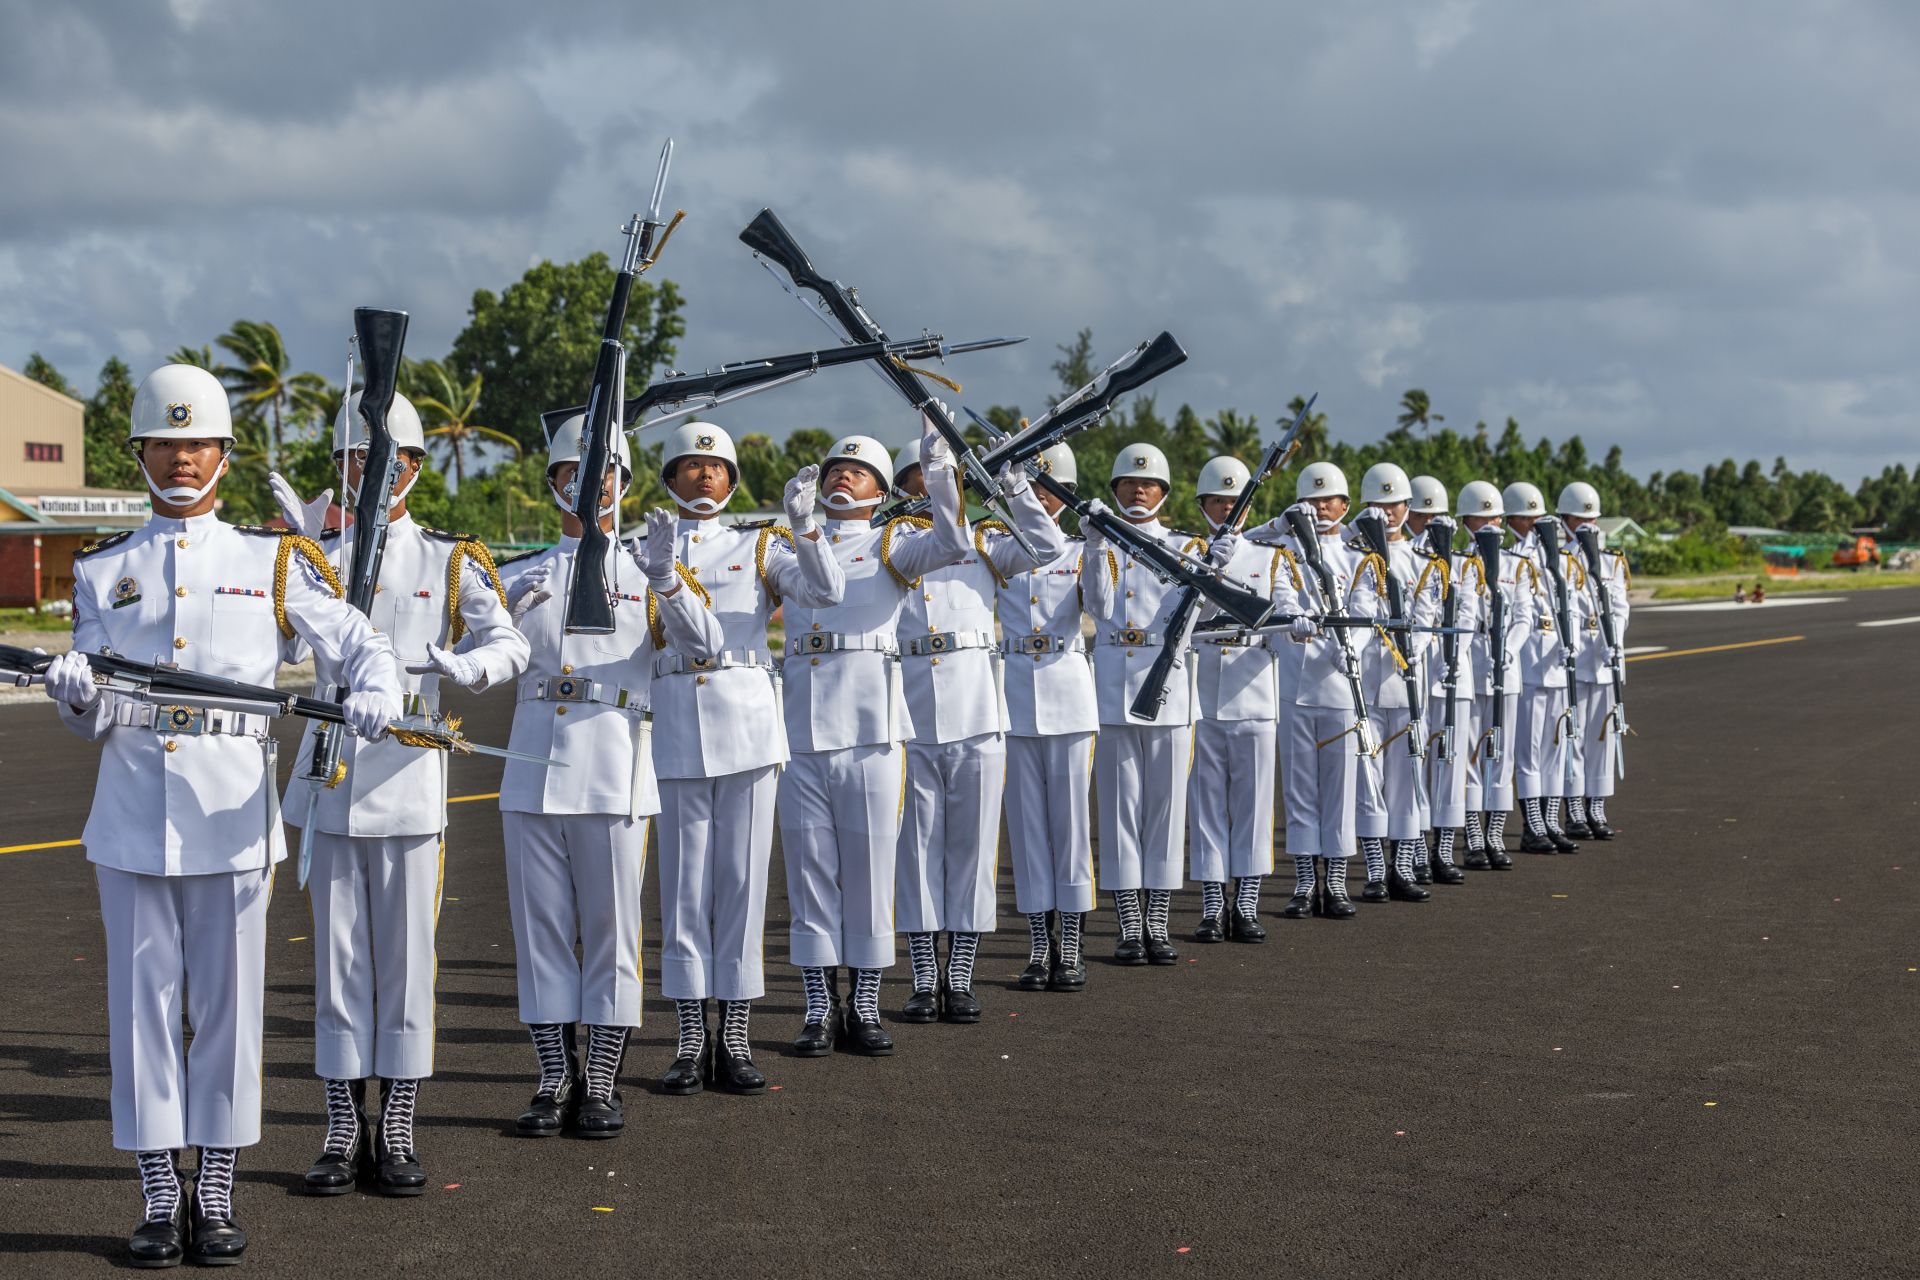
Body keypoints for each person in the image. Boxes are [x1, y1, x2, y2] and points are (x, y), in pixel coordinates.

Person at [47, 363, 401, 1266]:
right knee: (142, 1012)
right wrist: (75, 690)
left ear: (224, 454)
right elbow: (93, 712)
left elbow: (362, 642)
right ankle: (161, 1195)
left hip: (234, 816)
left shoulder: (272, 558)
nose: (181, 457)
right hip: (131, 818)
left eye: (197, 441)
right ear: (139, 454)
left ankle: (217, 1189)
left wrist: (377, 688)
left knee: (231, 1010)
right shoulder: (103, 570)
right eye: (164, 443)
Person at [271, 394, 528, 1196]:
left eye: (392, 461)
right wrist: (299, 549)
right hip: (329, 776)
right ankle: (343, 1131)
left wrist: (470, 669)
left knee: (408, 963)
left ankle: (402, 1128)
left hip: (410, 777)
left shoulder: (448, 558)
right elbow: (275, 643)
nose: (376, 473)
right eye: (358, 460)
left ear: (414, 468)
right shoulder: (315, 558)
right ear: (342, 467)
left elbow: (508, 640)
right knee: (339, 963)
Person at [496, 418, 721, 1140]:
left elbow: (707, 647)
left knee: (610, 931)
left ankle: (601, 1079)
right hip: (532, 764)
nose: (589, 489)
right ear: (553, 483)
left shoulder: (646, 573)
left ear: (623, 484)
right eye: (573, 476)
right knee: (541, 936)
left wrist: (666, 580)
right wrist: (499, 617)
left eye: (603, 478)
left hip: (615, 764)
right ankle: (552, 1076)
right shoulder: (520, 573)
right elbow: (470, 663)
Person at [646, 422, 842, 1094]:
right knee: (682, 892)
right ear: (669, 478)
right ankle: (688, 1039)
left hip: (749, 725)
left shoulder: (759, 544)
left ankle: (734, 1034)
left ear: (733, 480)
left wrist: (807, 523)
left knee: (741, 886)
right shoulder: (643, 546)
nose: (704, 475)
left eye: (716, 466)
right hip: (674, 722)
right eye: (691, 465)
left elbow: (824, 594)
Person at [778, 416, 969, 1056]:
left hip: (869, 727)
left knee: (868, 874)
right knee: (809, 877)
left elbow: (951, 542)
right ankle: (814, 1008)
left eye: (857, 471)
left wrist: (941, 474)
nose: (841, 476)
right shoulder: (787, 540)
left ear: (881, 491)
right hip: (801, 727)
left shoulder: (894, 541)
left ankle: (863, 1005)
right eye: (835, 468)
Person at [889, 443, 1061, 1023]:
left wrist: (1014, 486)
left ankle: (958, 977)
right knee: (914, 852)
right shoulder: (888, 544)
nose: (934, 486)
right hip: (908, 710)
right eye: (920, 477)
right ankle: (921, 977)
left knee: (972, 849)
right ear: (902, 486)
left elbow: (1047, 546)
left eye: (945, 477)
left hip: (977, 709)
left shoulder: (983, 538)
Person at [1081, 443, 1196, 964]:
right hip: (1112, 685)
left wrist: (1211, 568)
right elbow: (1098, 606)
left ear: (1164, 492)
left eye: (1147, 484)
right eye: (1127, 483)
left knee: (1165, 811)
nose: (1137, 489)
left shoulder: (1184, 546)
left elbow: (1209, 613)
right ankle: (1130, 923)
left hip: (1167, 683)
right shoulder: (1104, 543)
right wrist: (1092, 543)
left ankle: (1158, 921)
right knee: (1121, 809)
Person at [995, 443, 1098, 991]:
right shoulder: (998, 545)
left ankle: (1073, 945)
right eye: (1032, 486)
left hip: (1067, 687)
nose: (1040, 495)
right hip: (1012, 691)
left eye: (1050, 487)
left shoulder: (1082, 548)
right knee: (1028, 829)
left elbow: (1100, 607)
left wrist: (1102, 543)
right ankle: (1039, 945)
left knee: (1071, 826)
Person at [1246, 466, 1363, 919]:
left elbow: (1367, 612)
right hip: (1295, 683)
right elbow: (1244, 545)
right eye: (1312, 500)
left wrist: (1347, 650)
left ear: (1345, 506)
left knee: (1338, 787)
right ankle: (1303, 881)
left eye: (1330, 499)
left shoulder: (1358, 555)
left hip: (1340, 685)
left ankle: (1335, 881)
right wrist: (1278, 523)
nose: (1321, 507)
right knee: (1299, 789)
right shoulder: (1281, 551)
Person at [1186, 455, 1285, 942]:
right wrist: (1208, 570)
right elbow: (1180, 617)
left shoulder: (1270, 558)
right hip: (1202, 695)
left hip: (1254, 692)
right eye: (1219, 500)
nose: (1227, 508)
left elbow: (1285, 613)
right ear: (1203, 504)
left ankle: (1245, 903)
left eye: (1235, 500)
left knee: (1252, 804)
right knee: (1205, 804)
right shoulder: (1185, 553)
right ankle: (1210, 904)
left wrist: (1299, 625)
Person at [1347, 463, 1445, 902]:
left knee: (1406, 779)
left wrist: (1412, 650)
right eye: (1379, 505)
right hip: (1366, 682)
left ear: (1409, 507)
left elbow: (1427, 617)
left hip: (1407, 684)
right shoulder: (1356, 557)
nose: (1388, 513)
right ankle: (1373, 870)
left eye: (1396, 504)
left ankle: (1402, 867)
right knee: (1369, 779)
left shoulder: (1424, 560)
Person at [1455, 481, 1533, 869]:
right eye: (1482, 516)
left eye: (1495, 516)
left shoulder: (1516, 565)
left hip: (1506, 669)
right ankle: (1472, 837)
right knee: (1471, 753)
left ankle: (1495, 835)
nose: (1490, 523)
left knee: (1500, 758)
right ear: (1465, 520)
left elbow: (1524, 617)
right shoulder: (1455, 562)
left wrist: (1509, 650)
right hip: (1472, 667)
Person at [1503, 482, 1578, 854]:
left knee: (1556, 748)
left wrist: (1572, 642)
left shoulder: (1558, 559)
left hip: (1557, 667)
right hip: (1531, 665)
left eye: (1536, 516)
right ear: (1509, 519)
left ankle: (1551, 820)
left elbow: (1572, 605)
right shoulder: (1510, 558)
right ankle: (1533, 824)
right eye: (1524, 516)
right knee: (1529, 752)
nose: (1532, 523)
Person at [1556, 483, 1630, 841]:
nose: (1586, 523)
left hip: (1603, 656)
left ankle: (1596, 804)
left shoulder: (1612, 559)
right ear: (1564, 520)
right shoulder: (1557, 558)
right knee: (1575, 735)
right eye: (1578, 517)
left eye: (1591, 517)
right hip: (1576, 658)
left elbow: (1619, 607)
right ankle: (1573, 807)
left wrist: (1613, 640)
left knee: (1602, 734)